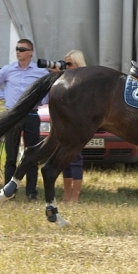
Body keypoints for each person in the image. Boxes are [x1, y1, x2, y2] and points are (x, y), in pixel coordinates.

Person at [0, 39, 48, 200]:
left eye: (22, 49)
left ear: (30, 52)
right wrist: (5, 98)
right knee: (11, 156)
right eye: (17, 49)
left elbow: (49, 90)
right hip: (12, 116)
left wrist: (41, 101)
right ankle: (9, 192)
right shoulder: (8, 70)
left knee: (32, 155)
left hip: (32, 115)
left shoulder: (40, 72)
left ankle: (31, 192)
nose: (18, 51)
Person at [59, 50, 87, 203]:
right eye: (65, 64)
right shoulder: (65, 79)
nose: (66, 67)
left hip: (77, 124)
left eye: (69, 64)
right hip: (64, 123)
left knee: (75, 158)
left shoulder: (83, 81)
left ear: (78, 64)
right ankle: (66, 195)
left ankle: (75, 196)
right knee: (64, 159)